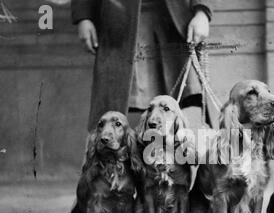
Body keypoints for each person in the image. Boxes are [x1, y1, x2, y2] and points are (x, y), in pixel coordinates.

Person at [71, 0, 217, 130]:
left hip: (175, 20)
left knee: (187, 107)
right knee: (118, 109)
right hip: (117, 22)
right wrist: (84, 16)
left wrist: (202, 11)